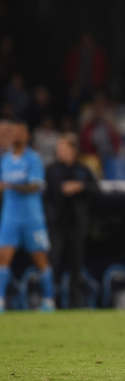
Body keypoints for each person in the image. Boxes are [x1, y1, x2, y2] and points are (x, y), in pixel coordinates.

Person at [0, 120, 54, 312]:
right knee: (3, 257)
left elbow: (35, 185)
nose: (16, 135)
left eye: (20, 132)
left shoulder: (33, 159)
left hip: (31, 217)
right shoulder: (5, 160)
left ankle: (49, 301)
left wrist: (11, 186)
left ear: (27, 136)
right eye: (13, 132)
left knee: (40, 259)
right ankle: (0, 301)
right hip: (10, 217)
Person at [45, 133, 100, 308]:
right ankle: (49, 301)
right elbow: (44, 195)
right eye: (58, 148)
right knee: (51, 263)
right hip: (56, 225)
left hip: (76, 225)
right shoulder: (51, 170)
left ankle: (74, 304)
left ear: (73, 150)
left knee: (75, 266)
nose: (59, 151)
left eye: (63, 147)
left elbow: (97, 191)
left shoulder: (82, 170)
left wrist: (80, 186)